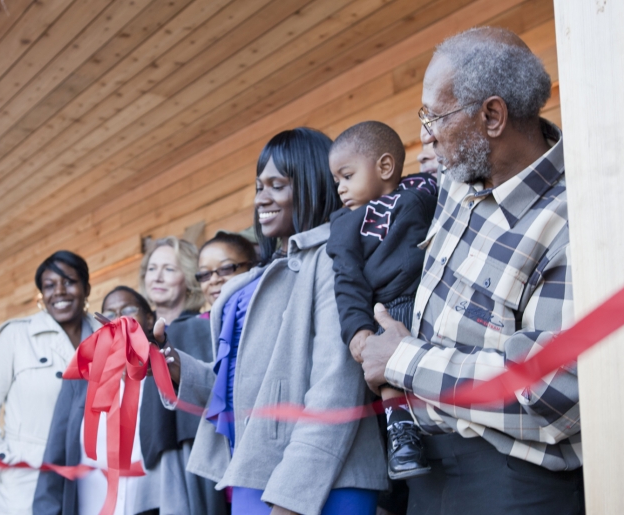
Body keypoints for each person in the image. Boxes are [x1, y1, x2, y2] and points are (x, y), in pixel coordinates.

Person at [360, 27, 583, 515]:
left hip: (513, 484)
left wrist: (402, 360)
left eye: (434, 115)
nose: (425, 133)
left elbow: (554, 394)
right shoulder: (460, 181)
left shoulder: (573, 220)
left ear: (493, 116)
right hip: (431, 471)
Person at [157, 128, 388, 515]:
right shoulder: (260, 277)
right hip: (256, 470)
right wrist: (176, 367)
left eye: (276, 185)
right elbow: (243, 388)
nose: (261, 198)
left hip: (317, 482)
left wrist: (291, 498)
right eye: (258, 186)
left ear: (312, 184)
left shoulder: (334, 260)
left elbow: (336, 387)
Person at [326, 120, 438, 482]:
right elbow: (347, 279)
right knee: (388, 357)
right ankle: (401, 433)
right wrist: (357, 331)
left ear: (385, 168)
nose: (340, 188)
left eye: (346, 176)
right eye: (337, 181)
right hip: (387, 304)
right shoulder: (345, 223)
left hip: (432, 296)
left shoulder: (422, 189)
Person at [0, 251, 100, 515]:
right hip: (25, 483)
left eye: (69, 282)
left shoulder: (104, 335)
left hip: (89, 478)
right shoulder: (16, 336)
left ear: (86, 288)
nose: (59, 292)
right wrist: (2, 464)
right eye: (49, 286)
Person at [33, 286, 156, 515]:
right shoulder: (79, 381)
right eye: (109, 314)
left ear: (149, 320)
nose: (118, 318)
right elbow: (55, 455)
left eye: (129, 309)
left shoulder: (166, 376)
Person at [136, 237, 228, 515]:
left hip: (192, 458)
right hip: (149, 461)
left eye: (169, 269)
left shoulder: (202, 328)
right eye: (152, 269)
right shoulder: (136, 338)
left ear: (188, 277)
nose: (158, 277)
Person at [196, 231, 258, 310]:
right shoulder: (199, 322)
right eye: (205, 274)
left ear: (251, 267)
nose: (214, 280)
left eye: (225, 268)